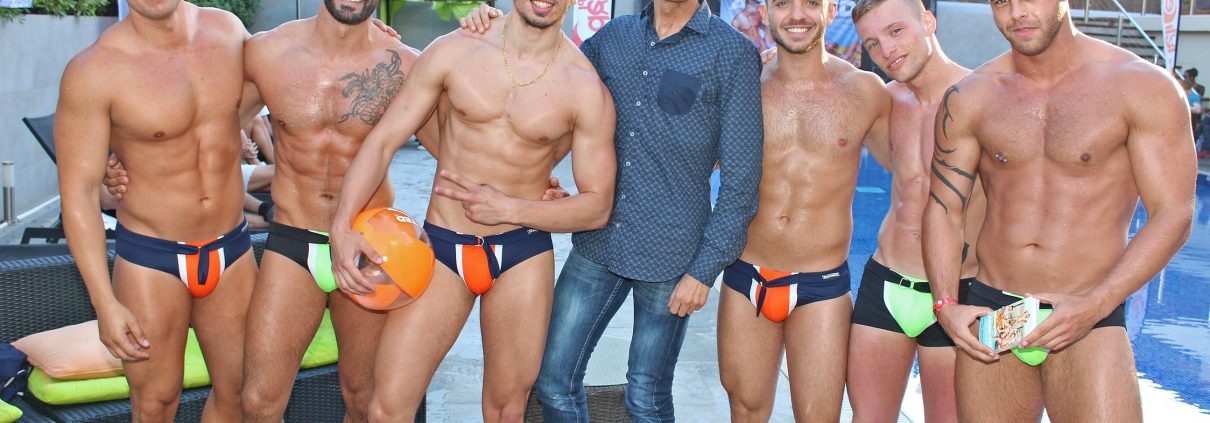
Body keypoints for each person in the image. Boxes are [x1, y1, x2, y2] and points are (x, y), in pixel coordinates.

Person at [328, 0, 618, 419]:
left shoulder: (584, 87)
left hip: (521, 253)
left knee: (506, 411)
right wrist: (341, 226)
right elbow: (382, 142)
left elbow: (597, 207)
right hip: (443, 247)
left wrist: (512, 208)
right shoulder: (455, 49)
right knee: (385, 410)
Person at [921, 0, 1196, 419]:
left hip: (1087, 309)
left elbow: (1174, 212)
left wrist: (1099, 303)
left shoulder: (1141, 86)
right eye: (1001, 2)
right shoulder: (972, 95)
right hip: (996, 309)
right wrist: (945, 304)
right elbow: (944, 209)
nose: (1016, 12)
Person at [56, 1, 255, 420]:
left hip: (232, 248)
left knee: (242, 393)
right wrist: (104, 303)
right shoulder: (94, 71)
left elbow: (289, 68)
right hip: (151, 258)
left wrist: (363, 33)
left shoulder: (228, 32)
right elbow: (79, 194)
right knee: (155, 402)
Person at [717, 0, 889, 419]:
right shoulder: (742, 84)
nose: (797, 14)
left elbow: (915, 173)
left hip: (822, 285)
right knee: (746, 410)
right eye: (782, 3)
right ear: (765, 13)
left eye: (811, 2)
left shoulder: (865, 91)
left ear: (831, 11)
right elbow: (689, 160)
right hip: (747, 275)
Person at [846, 0, 985, 420]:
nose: (886, 50)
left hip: (959, 288)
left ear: (928, 21)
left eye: (895, 31)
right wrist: (769, 60)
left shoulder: (984, 98)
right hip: (887, 281)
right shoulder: (884, 102)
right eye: (873, 43)